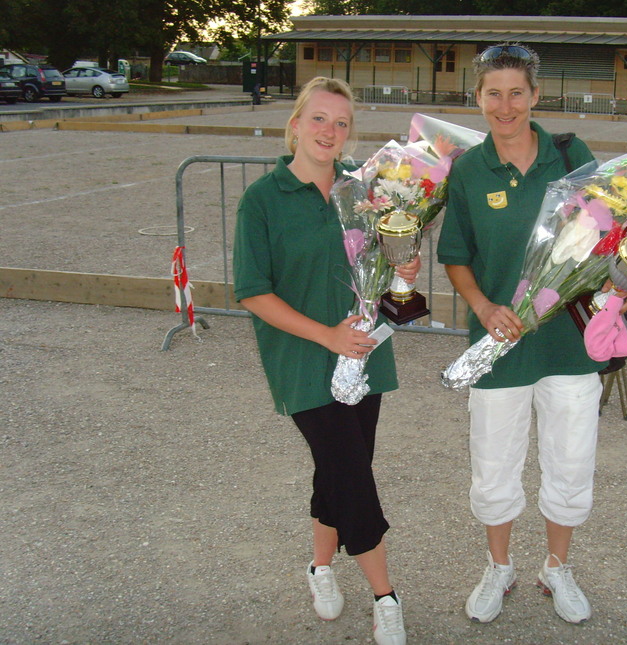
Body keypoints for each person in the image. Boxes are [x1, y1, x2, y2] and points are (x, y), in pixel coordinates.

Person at [437, 44, 627, 626]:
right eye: (493, 93)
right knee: (494, 464)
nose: (505, 106)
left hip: (568, 346)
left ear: (535, 96)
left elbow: (611, 238)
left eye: (516, 93)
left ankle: (557, 567)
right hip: (499, 346)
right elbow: (456, 255)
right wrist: (482, 305)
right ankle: (499, 567)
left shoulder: (572, 158)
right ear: (477, 98)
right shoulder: (468, 170)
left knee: (570, 463)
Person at [232, 76, 417, 645]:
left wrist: (404, 266)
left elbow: (384, 261)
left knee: (337, 469)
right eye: (318, 118)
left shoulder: (366, 189)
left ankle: (319, 567)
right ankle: (386, 597)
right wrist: (325, 336)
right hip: (302, 360)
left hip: (364, 355)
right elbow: (253, 292)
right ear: (295, 125)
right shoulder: (263, 199)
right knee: (353, 476)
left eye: (341, 122)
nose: (329, 131)